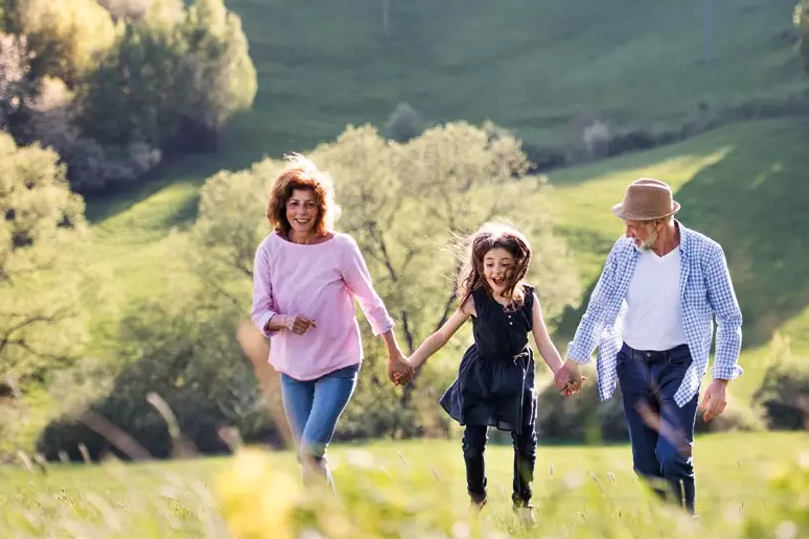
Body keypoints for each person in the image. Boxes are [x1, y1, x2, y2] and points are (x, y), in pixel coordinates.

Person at [555, 178, 743, 516]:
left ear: (660, 222)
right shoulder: (623, 252)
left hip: (681, 367)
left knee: (673, 456)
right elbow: (600, 309)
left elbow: (729, 318)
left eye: (633, 226)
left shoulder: (705, 254)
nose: (627, 233)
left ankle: (686, 529)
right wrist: (574, 361)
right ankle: (666, 527)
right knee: (645, 466)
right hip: (633, 366)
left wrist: (721, 379)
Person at [397, 222, 581, 524]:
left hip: (517, 375)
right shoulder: (476, 299)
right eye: (490, 263)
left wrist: (561, 371)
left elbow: (544, 342)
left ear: (519, 265)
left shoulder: (529, 299)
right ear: (481, 266)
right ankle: (476, 497)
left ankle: (523, 504)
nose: (497, 270)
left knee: (525, 441)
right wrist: (411, 361)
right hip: (480, 375)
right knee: (473, 442)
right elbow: (441, 336)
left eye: (505, 264)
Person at [250, 154, 414, 490]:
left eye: (309, 204)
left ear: (321, 208)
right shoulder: (269, 250)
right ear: (282, 207)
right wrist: (284, 321)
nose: (301, 212)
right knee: (307, 456)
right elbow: (259, 311)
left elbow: (370, 302)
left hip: (338, 364)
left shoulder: (341, 248)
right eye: (294, 203)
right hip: (292, 369)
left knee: (310, 451)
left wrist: (394, 353)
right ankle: (327, 523)